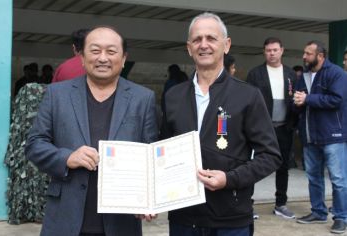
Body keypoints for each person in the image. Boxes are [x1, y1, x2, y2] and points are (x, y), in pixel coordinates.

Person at [26, 26, 158, 236]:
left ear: (123, 58)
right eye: (95, 51)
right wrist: (67, 157)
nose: (103, 58)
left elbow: (151, 155)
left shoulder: (143, 99)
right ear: (82, 57)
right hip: (65, 219)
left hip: (121, 222)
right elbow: (34, 144)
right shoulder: (57, 94)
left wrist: (151, 197)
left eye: (111, 52)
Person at [161, 12, 282, 236]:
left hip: (230, 219)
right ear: (189, 48)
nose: (203, 45)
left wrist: (229, 179)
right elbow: (161, 152)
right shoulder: (173, 96)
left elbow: (271, 156)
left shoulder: (248, 95)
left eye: (211, 38)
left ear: (226, 45)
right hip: (183, 218)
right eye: (197, 39)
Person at [294, 40, 347, 234]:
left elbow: (337, 99)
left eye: (308, 53)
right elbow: (299, 98)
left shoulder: (336, 74)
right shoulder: (304, 75)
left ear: (320, 56)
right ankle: (318, 212)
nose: (304, 56)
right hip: (310, 134)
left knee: (339, 179)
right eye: (304, 53)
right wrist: (297, 102)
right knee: (313, 177)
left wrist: (308, 99)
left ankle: (341, 217)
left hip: (333, 135)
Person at [246, 37, 297, 219]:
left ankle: (280, 203)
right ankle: (247, 204)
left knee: (283, 167)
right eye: (268, 50)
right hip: (261, 128)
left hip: (284, 126)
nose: (272, 53)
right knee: (253, 165)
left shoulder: (291, 74)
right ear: (264, 52)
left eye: (275, 50)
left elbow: (295, 100)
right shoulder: (255, 74)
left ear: (282, 50)